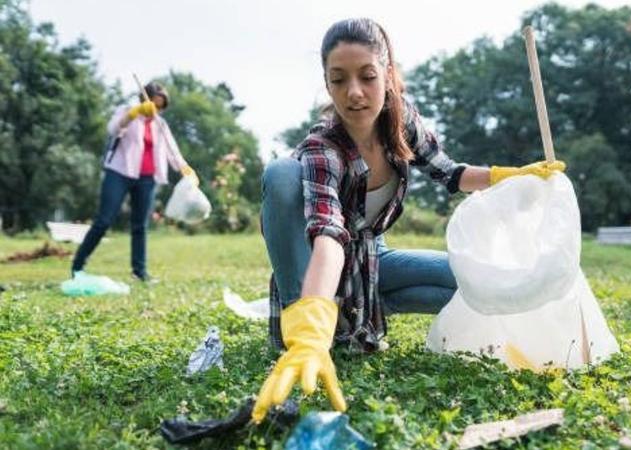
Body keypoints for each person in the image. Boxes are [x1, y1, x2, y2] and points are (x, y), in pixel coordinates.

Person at [251, 18, 565, 421]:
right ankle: (313, 328)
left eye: (367, 76)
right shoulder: (321, 148)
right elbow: (328, 234)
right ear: (326, 84)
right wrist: (311, 328)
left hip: (372, 257)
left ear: (389, 74)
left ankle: (364, 308)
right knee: (280, 171)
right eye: (338, 80)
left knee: (470, 279)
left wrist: (511, 175)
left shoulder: (401, 122)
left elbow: (450, 173)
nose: (355, 93)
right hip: (316, 268)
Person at [70, 81, 198, 282]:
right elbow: (113, 129)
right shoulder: (126, 111)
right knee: (103, 221)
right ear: (144, 99)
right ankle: (78, 266)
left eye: (160, 106)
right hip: (119, 173)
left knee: (140, 225)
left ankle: (139, 272)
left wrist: (186, 170)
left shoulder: (160, 124)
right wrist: (132, 114)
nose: (156, 109)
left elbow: (172, 151)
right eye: (154, 103)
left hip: (147, 178)